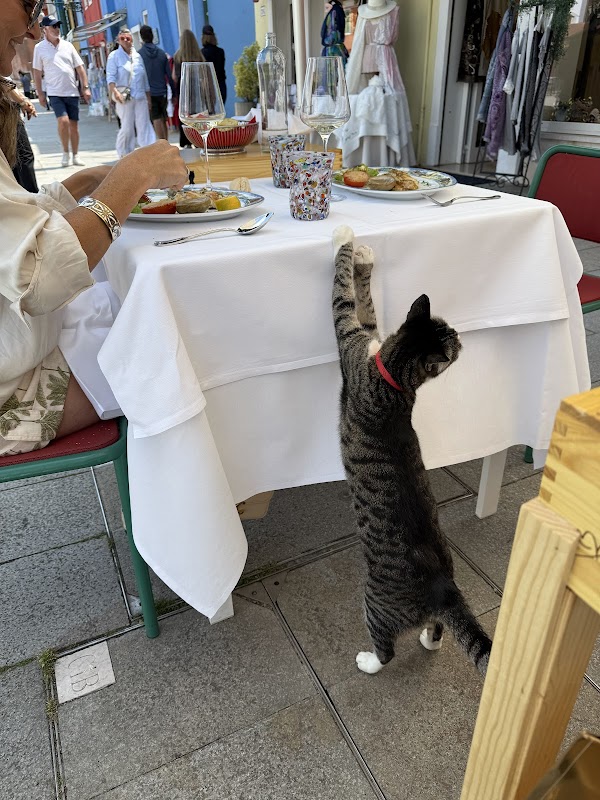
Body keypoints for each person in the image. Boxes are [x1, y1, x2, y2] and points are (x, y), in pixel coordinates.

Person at [0, 0, 188, 457]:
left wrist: (85, 183)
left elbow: (10, 224)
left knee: (150, 296)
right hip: (13, 391)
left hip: (25, 342)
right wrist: (132, 177)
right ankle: (197, 499)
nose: (13, 57)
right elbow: (36, 277)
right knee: (182, 332)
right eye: (9, 38)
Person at [32, 16, 91, 167]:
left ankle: (76, 155)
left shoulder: (68, 46)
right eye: (53, 26)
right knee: (63, 121)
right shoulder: (39, 49)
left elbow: (80, 68)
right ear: (45, 29)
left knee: (74, 126)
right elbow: (37, 73)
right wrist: (40, 94)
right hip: (54, 92)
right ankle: (65, 153)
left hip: (72, 92)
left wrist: (85, 87)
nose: (57, 29)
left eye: (58, 26)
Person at [106, 27, 156, 157]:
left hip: (140, 96)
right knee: (127, 127)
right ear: (118, 40)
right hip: (124, 97)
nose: (126, 40)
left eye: (128, 38)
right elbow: (110, 77)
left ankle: (148, 150)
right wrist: (114, 92)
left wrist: (148, 98)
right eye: (122, 38)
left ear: (132, 39)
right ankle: (124, 153)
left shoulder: (137, 56)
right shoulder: (114, 56)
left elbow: (144, 78)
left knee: (144, 124)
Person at [138, 24, 175, 141]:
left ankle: (161, 142)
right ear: (152, 35)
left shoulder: (139, 55)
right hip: (162, 90)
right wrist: (174, 93)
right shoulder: (161, 53)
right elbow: (169, 75)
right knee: (163, 117)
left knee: (155, 117)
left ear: (141, 37)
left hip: (149, 92)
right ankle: (166, 142)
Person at [172, 29, 205, 148]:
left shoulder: (177, 56)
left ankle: (186, 141)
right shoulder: (199, 56)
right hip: (197, 89)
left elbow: (174, 77)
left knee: (185, 116)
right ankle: (198, 140)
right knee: (198, 116)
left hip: (184, 90)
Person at [7, 84, 38, 192]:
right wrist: (22, 102)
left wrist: (23, 99)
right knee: (23, 156)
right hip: (6, 109)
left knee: (15, 158)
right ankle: (32, 198)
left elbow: (7, 81)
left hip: (8, 106)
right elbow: (3, 81)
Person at [201, 25, 226, 103]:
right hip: (220, 84)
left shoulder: (202, 53)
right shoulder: (220, 51)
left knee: (209, 112)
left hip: (207, 85)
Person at [321, 1, 349, 65]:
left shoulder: (335, 11)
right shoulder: (337, 10)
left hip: (333, 51)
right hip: (336, 49)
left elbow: (333, 32)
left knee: (333, 71)